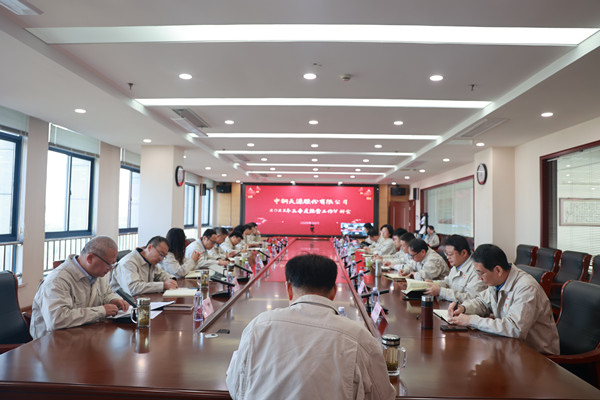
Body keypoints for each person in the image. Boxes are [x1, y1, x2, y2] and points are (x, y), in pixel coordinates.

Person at [226, 254, 396, 400]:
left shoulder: (258, 326)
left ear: (288, 289)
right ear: (334, 291)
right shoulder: (359, 338)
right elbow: (383, 396)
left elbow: (236, 387)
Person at [448, 244, 559, 355]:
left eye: (481, 273)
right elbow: (483, 302)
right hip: (511, 348)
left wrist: (471, 320)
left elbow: (515, 328)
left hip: (537, 355)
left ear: (498, 270)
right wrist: (463, 308)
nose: (479, 278)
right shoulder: (496, 281)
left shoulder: (526, 288)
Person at [30, 236, 130, 339]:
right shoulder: (57, 280)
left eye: (113, 265)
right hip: (52, 342)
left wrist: (113, 299)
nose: (110, 269)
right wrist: (101, 311)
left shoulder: (95, 274)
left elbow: (106, 293)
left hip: (82, 335)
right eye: (108, 264)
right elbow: (57, 319)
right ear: (90, 258)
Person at [424, 234, 486, 302]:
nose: (447, 257)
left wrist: (441, 292)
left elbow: (471, 298)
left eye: (450, 254)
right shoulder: (457, 264)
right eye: (446, 254)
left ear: (463, 253)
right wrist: (433, 284)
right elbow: (447, 283)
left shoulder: (476, 270)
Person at [109, 236, 177, 296]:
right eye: (161, 254)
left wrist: (171, 280)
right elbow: (133, 288)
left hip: (144, 300)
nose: (161, 259)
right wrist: (163, 285)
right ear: (150, 247)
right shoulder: (128, 263)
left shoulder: (150, 261)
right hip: (125, 303)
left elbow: (160, 274)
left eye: (164, 256)